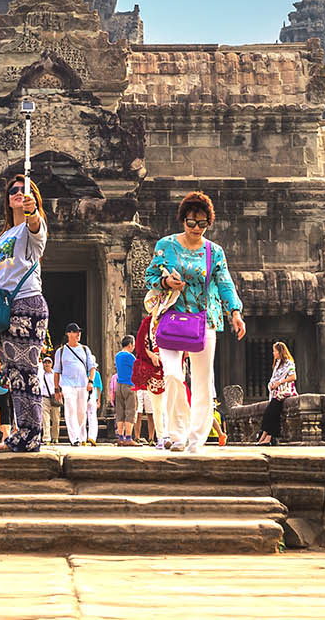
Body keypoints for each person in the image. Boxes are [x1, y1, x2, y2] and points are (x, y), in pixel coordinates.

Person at [145, 190, 246, 453]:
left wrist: (235, 312)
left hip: (204, 320)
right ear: (183, 220)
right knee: (173, 375)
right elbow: (150, 275)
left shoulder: (215, 252)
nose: (196, 228)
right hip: (171, 317)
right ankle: (177, 434)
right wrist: (166, 281)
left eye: (202, 224)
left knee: (202, 381)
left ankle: (196, 438)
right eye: (191, 222)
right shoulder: (166, 245)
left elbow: (225, 283)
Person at [0, 175, 50, 452]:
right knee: (13, 374)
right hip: (5, 304)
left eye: (25, 191)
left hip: (28, 304)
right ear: (7, 199)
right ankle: (21, 432)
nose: (19, 193)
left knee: (27, 371)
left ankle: (32, 434)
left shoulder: (32, 228)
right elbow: (6, 270)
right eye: (14, 191)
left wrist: (31, 212)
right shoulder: (4, 235)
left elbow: (36, 228)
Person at [53, 323, 98, 446]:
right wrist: (57, 390)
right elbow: (56, 372)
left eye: (79, 331)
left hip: (83, 384)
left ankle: (80, 435)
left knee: (81, 412)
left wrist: (91, 381)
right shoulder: (61, 352)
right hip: (67, 385)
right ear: (68, 334)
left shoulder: (85, 349)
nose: (78, 334)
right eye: (74, 331)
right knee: (71, 410)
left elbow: (92, 367)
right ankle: (75, 438)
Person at [131, 312, 165, 445]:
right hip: (154, 368)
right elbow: (141, 347)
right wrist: (151, 356)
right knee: (157, 407)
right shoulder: (148, 323)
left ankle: (173, 435)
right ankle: (161, 437)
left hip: (172, 366)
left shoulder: (173, 317)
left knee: (171, 404)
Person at [258, 341, 297, 445]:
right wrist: (271, 384)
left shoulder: (289, 363)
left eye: (275, 351)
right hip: (276, 392)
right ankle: (265, 436)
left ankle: (267, 437)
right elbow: (274, 377)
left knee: (270, 412)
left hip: (285, 391)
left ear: (280, 352)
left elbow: (293, 377)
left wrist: (279, 382)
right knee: (270, 413)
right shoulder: (277, 364)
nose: (273, 353)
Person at [112, 335, 138, 445]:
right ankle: (128, 438)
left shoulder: (117, 356)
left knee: (120, 411)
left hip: (119, 385)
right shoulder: (130, 357)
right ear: (130, 345)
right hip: (129, 384)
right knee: (130, 411)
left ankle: (120, 437)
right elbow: (137, 368)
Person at [38, 356, 59, 444]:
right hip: (44, 397)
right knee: (45, 418)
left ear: (52, 364)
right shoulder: (40, 375)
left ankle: (55, 437)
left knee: (56, 419)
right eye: (45, 362)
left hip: (55, 397)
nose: (47, 364)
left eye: (48, 362)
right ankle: (46, 438)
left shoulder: (55, 374)